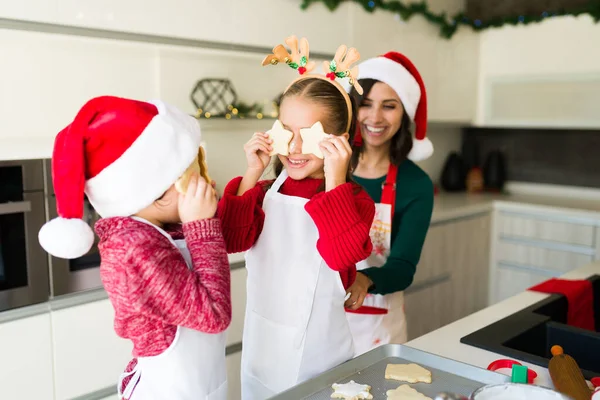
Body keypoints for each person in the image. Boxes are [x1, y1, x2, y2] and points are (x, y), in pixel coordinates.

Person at [38, 96, 231, 400]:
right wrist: (201, 226)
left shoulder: (158, 228)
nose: (204, 179)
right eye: (192, 170)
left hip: (200, 386)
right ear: (157, 189)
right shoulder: (134, 250)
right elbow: (214, 314)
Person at [216, 36, 375, 399]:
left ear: (341, 140)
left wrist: (335, 177)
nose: (296, 147)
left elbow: (341, 256)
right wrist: (251, 173)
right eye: (287, 132)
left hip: (320, 356)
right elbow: (229, 240)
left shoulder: (354, 200)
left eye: (310, 135)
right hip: (262, 349)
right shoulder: (262, 191)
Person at [343, 51, 435, 356]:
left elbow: (403, 267)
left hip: (378, 326)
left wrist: (363, 280)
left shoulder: (415, 184)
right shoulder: (330, 167)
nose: (375, 118)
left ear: (404, 113)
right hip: (321, 314)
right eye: (366, 104)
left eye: (389, 106)